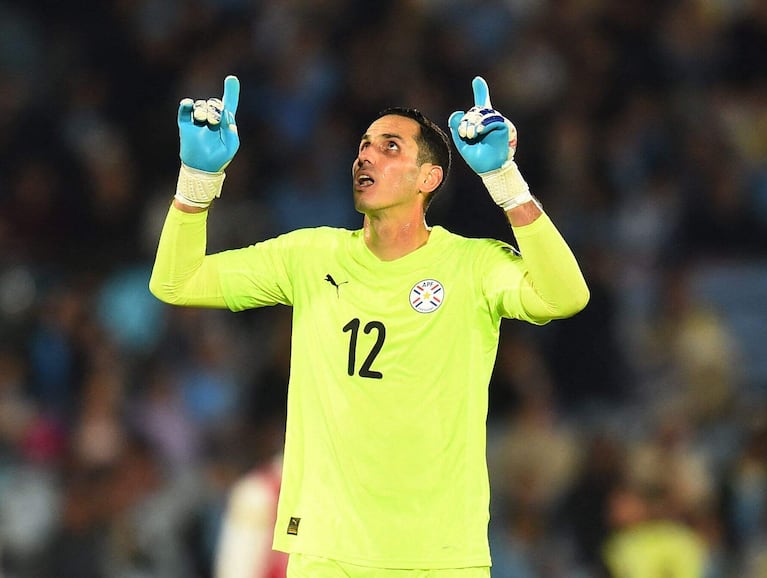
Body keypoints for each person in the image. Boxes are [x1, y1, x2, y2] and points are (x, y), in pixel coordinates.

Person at [150, 74, 589, 578]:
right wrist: (196, 181)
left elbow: (566, 295)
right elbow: (176, 283)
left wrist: (507, 183)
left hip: (440, 552)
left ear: (428, 178)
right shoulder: (310, 255)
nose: (366, 156)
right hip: (328, 550)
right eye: (363, 146)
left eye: (390, 147)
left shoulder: (473, 265)